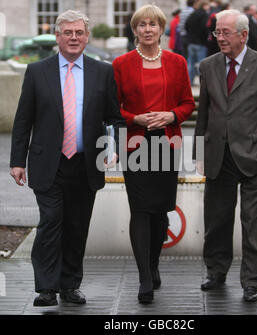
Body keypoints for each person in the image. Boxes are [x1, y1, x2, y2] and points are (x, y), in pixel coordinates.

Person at [10, 10, 125, 307]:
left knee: (76, 225)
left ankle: (70, 285)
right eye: (68, 33)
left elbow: (115, 117)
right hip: (48, 162)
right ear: (58, 37)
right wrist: (17, 161)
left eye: (79, 33)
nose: (74, 38)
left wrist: (114, 146)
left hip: (86, 163)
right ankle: (46, 288)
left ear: (86, 37)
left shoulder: (103, 72)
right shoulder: (37, 72)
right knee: (51, 221)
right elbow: (23, 120)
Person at [193, 9, 257, 302]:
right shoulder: (207, 66)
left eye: (225, 33)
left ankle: (251, 282)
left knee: (252, 223)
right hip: (219, 157)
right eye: (217, 33)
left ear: (244, 35)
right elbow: (203, 115)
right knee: (217, 220)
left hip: (255, 157)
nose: (219, 38)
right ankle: (216, 272)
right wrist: (200, 154)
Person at [113, 4, 195, 304]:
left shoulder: (177, 62)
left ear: (162, 29)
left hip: (167, 144)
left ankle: (154, 263)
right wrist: (135, 119)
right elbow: (114, 108)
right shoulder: (120, 64)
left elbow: (188, 103)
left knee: (161, 211)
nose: (147, 29)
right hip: (135, 144)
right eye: (142, 25)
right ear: (135, 30)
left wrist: (172, 116)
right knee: (140, 210)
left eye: (153, 24)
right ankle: (144, 277)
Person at [185, 1, 209, 86]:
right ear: (204, 5)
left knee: (190, 64)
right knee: (201, 64)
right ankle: (203, 83)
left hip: (191, 42)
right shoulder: (204, 15)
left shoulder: (192, 14)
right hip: (201, 42)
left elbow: (186, 25)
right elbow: (205, 28)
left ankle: (189, 82)